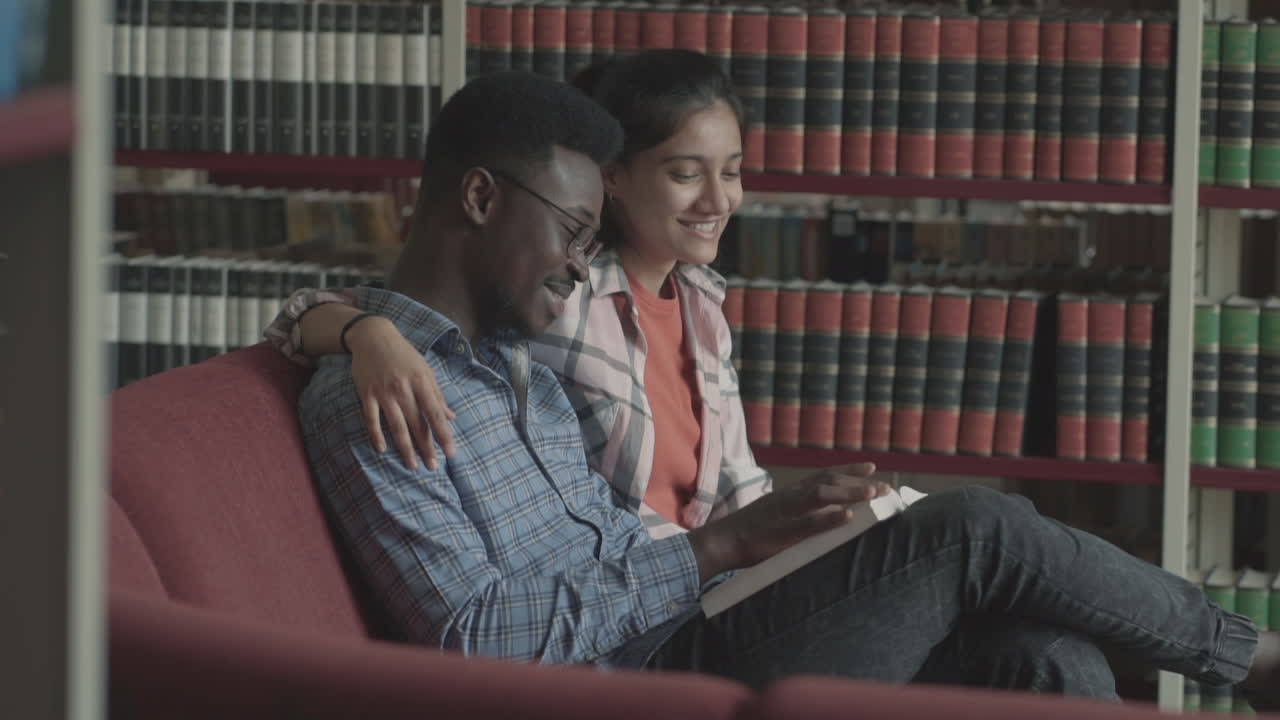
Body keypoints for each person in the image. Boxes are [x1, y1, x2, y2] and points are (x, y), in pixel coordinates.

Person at [297, 68, 1280, 705]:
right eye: (572, 229)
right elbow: (472, 642)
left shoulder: (501, 366)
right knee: (979, 527)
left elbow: (614, 532)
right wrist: (719, 549)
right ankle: (1249, 662)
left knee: (1045, 661)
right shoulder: (382, 396)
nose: (576, 260)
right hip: (643, 677)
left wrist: (785, 542)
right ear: (478, 198)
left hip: (698, 617)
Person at [268, 50, 767, 539]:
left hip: (701, 579)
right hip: (630, 586)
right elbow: (319, 314)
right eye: (686, 174)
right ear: (612, 175)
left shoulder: (704, 306)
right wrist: (368, 332)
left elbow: (738, 487)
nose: (718, 200)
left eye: (731, 172)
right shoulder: (558, 292)